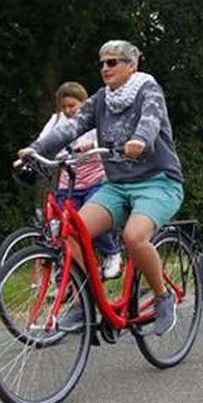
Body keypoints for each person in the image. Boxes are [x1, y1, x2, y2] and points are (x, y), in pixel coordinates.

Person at [16, 40, 184, 335]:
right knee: (71, 233)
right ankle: (88, 303)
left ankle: (162, 297)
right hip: (117, 185)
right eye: (102, 62)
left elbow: (151, 120)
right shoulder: (101, 100)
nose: (105, 68)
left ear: (131, 66)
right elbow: (70, 127)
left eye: (113, 62)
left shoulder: (149, 91)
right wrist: (34, 149)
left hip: (158, 182)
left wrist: (140, 140)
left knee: (134, 237)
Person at [39, 81, 122, 279]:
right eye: (64, 107)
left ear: (83, 104)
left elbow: (106, 137)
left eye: (72, 106)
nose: (68, 111)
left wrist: (90, 144)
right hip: (68, 184)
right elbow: (43, 140)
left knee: (93, 220)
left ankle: (112, 253)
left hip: (94, 181)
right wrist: (32, 153)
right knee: (61, 227)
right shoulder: (56, 120)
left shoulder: (92, 120)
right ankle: (72, 273)